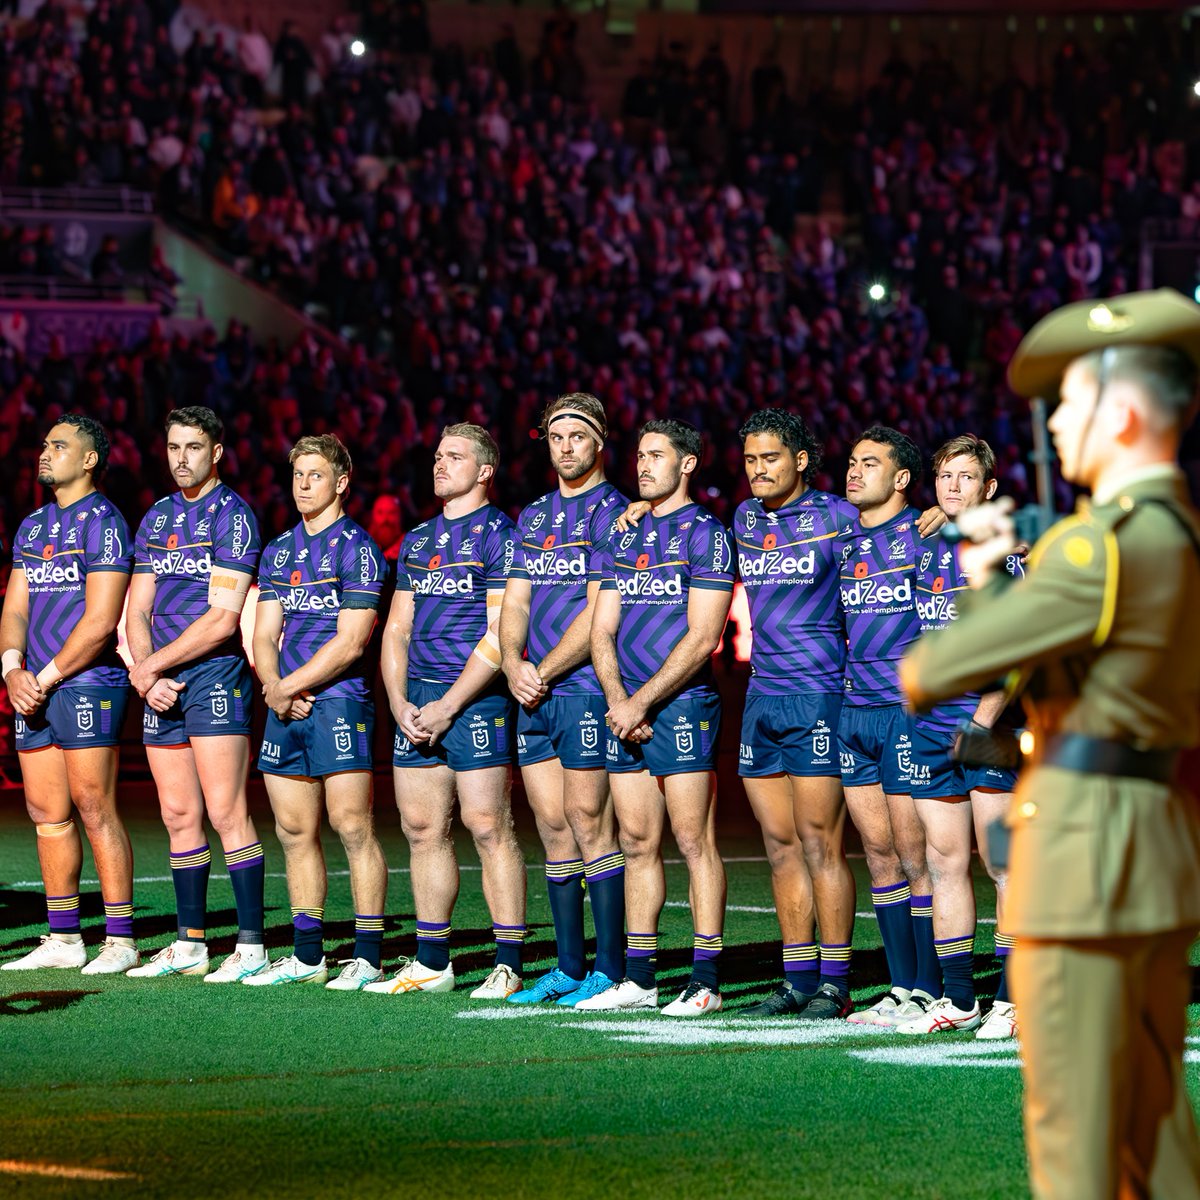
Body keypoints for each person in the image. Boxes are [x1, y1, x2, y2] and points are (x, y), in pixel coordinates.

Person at [902, 289, 1200, 1199]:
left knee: (1076, 1132)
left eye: (1072, 401)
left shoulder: (1096, 545)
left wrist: (985, 576)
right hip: (1147, 841)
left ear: (1126, 413)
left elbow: (934, 667)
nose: (1059, 422)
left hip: (1087, 855)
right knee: (1154, 1131)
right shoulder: (1174, 527)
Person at [579, 419, 734, 1016]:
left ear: (687, 463)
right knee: (636, 840)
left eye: (656, 456)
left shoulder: (706, 535)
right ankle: (640, 978)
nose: (642, 466)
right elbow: (602, 630)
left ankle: (705, 981)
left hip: (682, 706)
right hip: (624, 707)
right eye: (639, 456)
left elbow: (703, 636)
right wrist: (619, 698)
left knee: (695, 841)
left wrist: (641, 702)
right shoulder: (623, 537)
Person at [369, 424, 527, 999]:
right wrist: (399, 701)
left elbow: (499, 632)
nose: (440, 465)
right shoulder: (417, 539)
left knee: (488, 827)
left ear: (484, 471)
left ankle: (507, 962)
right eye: (437, 456)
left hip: (475, 702)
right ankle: (434, 961)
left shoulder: (501, 536)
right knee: (421, 829)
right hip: (418, 704)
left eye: (454, 457)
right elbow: (397, 630)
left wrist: (449, 704)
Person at [125, 408, 267, 982]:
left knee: (226, 810)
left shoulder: (234, 518)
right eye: (173, 447)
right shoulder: (157, 518)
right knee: (178, 812)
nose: (181, 457)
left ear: (217, 453)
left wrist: (150, 667)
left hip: (213, 677)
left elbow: (221, 621)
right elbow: (137, 607)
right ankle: (191, 943)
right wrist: (148, 675)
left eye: (193, 447)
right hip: (160, 682)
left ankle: (251, 946)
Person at [499, 393, 628, 1007]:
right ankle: (568, 968)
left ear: (599, 443)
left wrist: (541, 670)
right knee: (553, 829)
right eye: (557, 437)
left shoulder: (616, 513)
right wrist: (510, 660)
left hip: (577, 688)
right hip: (533, 688)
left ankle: (610, 967)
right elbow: (515, 601)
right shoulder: (534, 515)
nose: (567, 447)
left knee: (589, 823)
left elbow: (599, 610)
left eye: (578, 436)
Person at [249, 434, 389, 989]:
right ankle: (309, 956)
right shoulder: (280, 550)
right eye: (298, 475)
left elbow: (352, 642)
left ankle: (368, 956)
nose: (303, 484)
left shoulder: (358, 548)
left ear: (341, 482)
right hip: (286, 700)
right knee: (292, 829)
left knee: (353, 827)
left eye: (315, 475)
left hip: (338, 702)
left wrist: (287, 687)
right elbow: (263, 633)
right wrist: (275, 684)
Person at [731, 410, 858, 1020]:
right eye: (751, 460)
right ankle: (797, 980)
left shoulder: (839, 518)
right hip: (762, 698)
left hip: (820, 696)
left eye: (771, 459)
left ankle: (835, 983)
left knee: (819, 843)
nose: (758, 470)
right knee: (779, 846)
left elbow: (895, 542)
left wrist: (940, 517)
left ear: (800, 460)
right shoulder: (743, 518)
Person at [0, 415, 137, 974]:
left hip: (84, 681)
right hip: (33, 685)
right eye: (45, 444)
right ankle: (63, 938)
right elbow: (14, 608)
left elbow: (102, 621)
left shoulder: (104, 522)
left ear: (88, 460)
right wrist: (12, 670)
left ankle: (121, 939)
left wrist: (45, 676)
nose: (45, 452)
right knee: (46, 811)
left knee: (93, 805)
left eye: (60, 445)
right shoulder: (32, 526)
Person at [897, 434, 1019, 1038]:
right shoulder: (926, 545)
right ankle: (960, 999)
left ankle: (1011, 999)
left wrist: (981, 724)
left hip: (987, 729)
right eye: (944, 476)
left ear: (988, 488)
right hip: (931, 728)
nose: (951, 486)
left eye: (965, 477)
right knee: (945, 864)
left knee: (1004, 866)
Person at [838, 426, 940, 1027]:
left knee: (915, 854)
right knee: (879, 855)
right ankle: (903, 987)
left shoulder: (926, 536)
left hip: (907, 713)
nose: (854, 472)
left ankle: (932, 987)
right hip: (855, 713)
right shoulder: (846, 541)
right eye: (851, 462)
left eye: (869, 464)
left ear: (902, 479)